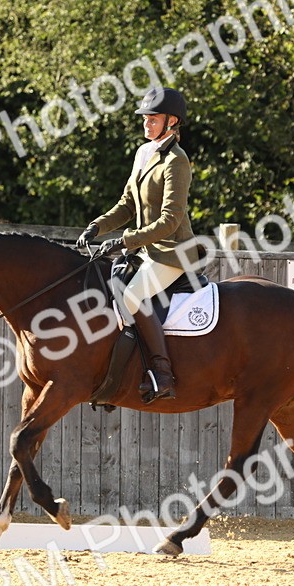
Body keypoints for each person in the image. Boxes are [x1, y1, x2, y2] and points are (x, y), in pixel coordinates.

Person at [76, 87, 194, 403]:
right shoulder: (144, 153)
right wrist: (98, 225)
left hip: (172, 252)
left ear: (172, 121)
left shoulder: (177, 162)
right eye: (145, 117)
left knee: (132, 296)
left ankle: (162, 373)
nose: (146, 123)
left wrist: (126, 239)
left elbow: (170, 219)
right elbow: (127, 204)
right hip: (145, 250)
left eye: (153, 118)